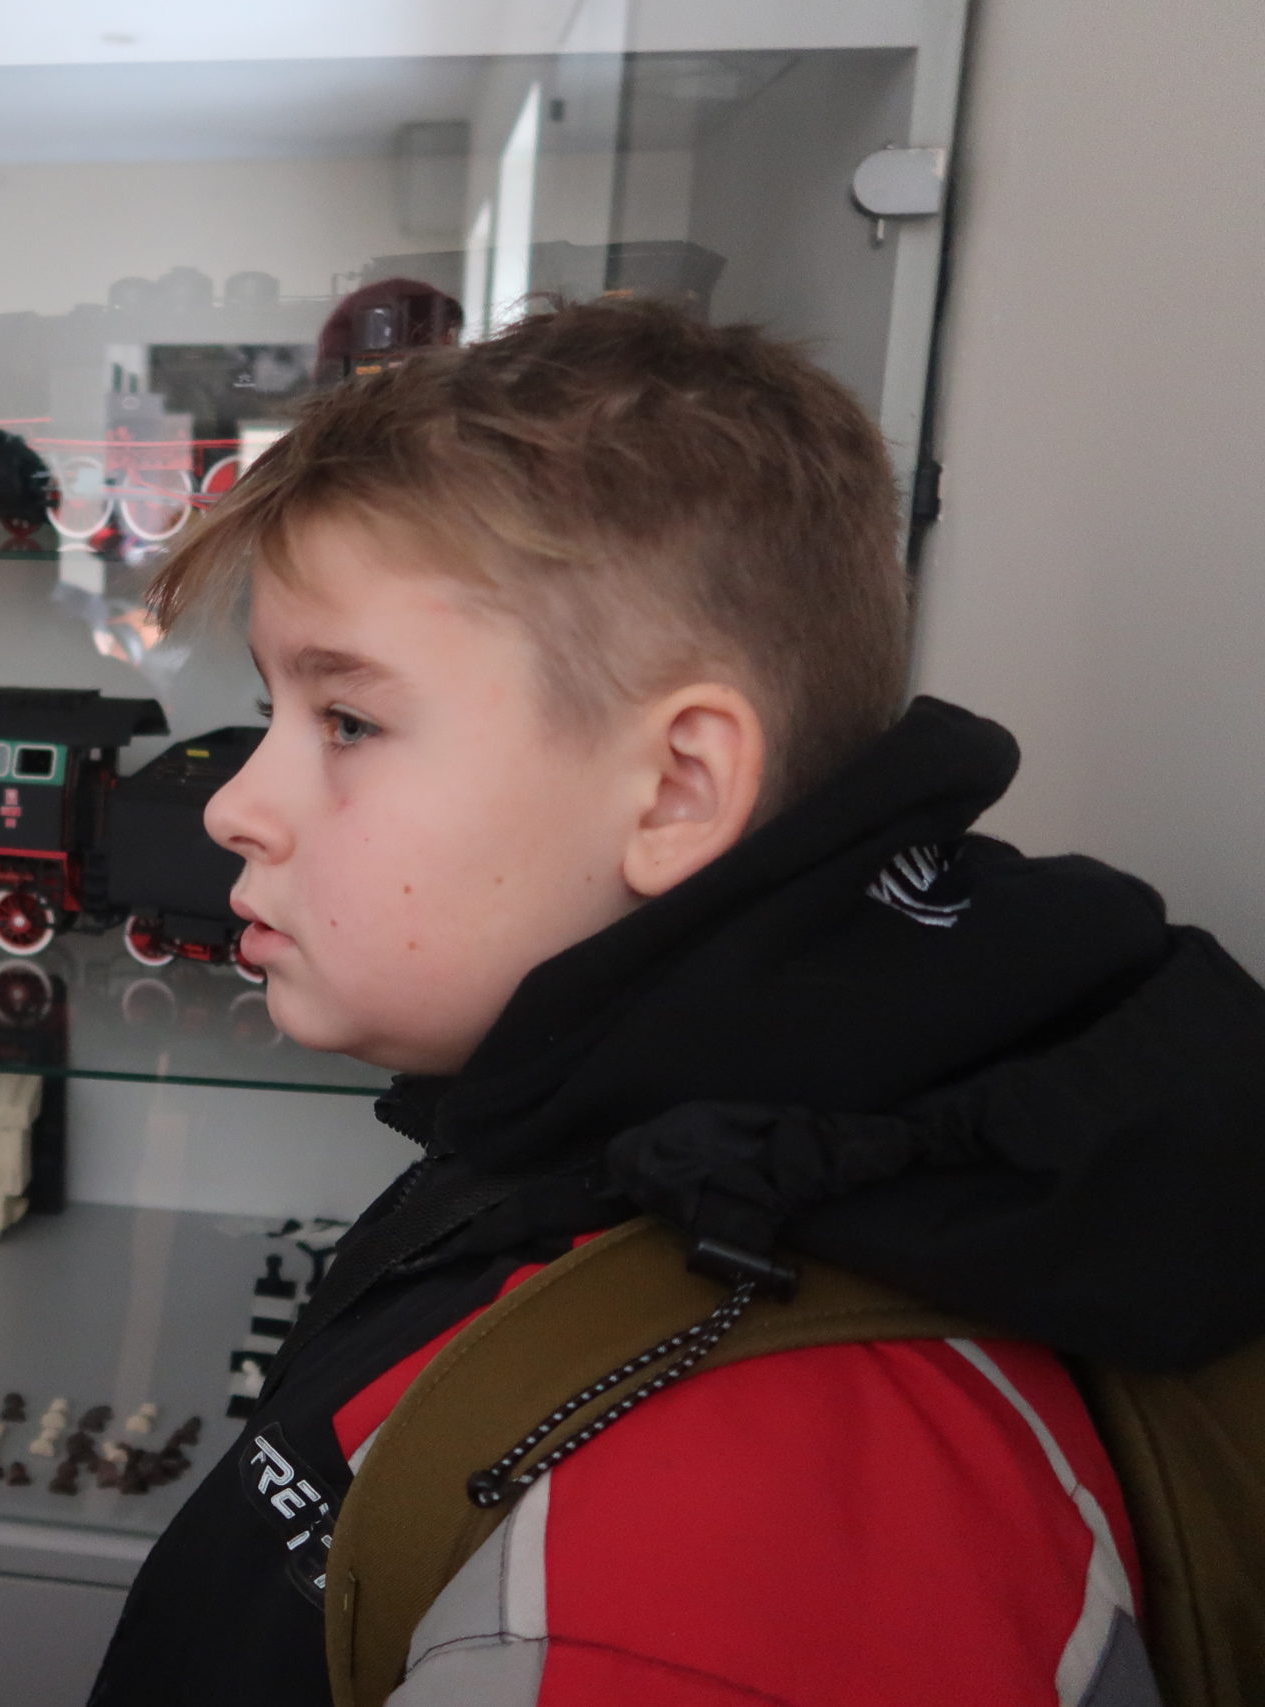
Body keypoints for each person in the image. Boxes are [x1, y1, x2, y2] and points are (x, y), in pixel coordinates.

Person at [88, 299, 1265, 1704]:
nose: (234, 804)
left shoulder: (736, 1546)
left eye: (348, 720)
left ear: (676, 790)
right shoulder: (633, 1132)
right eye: (274, 707)